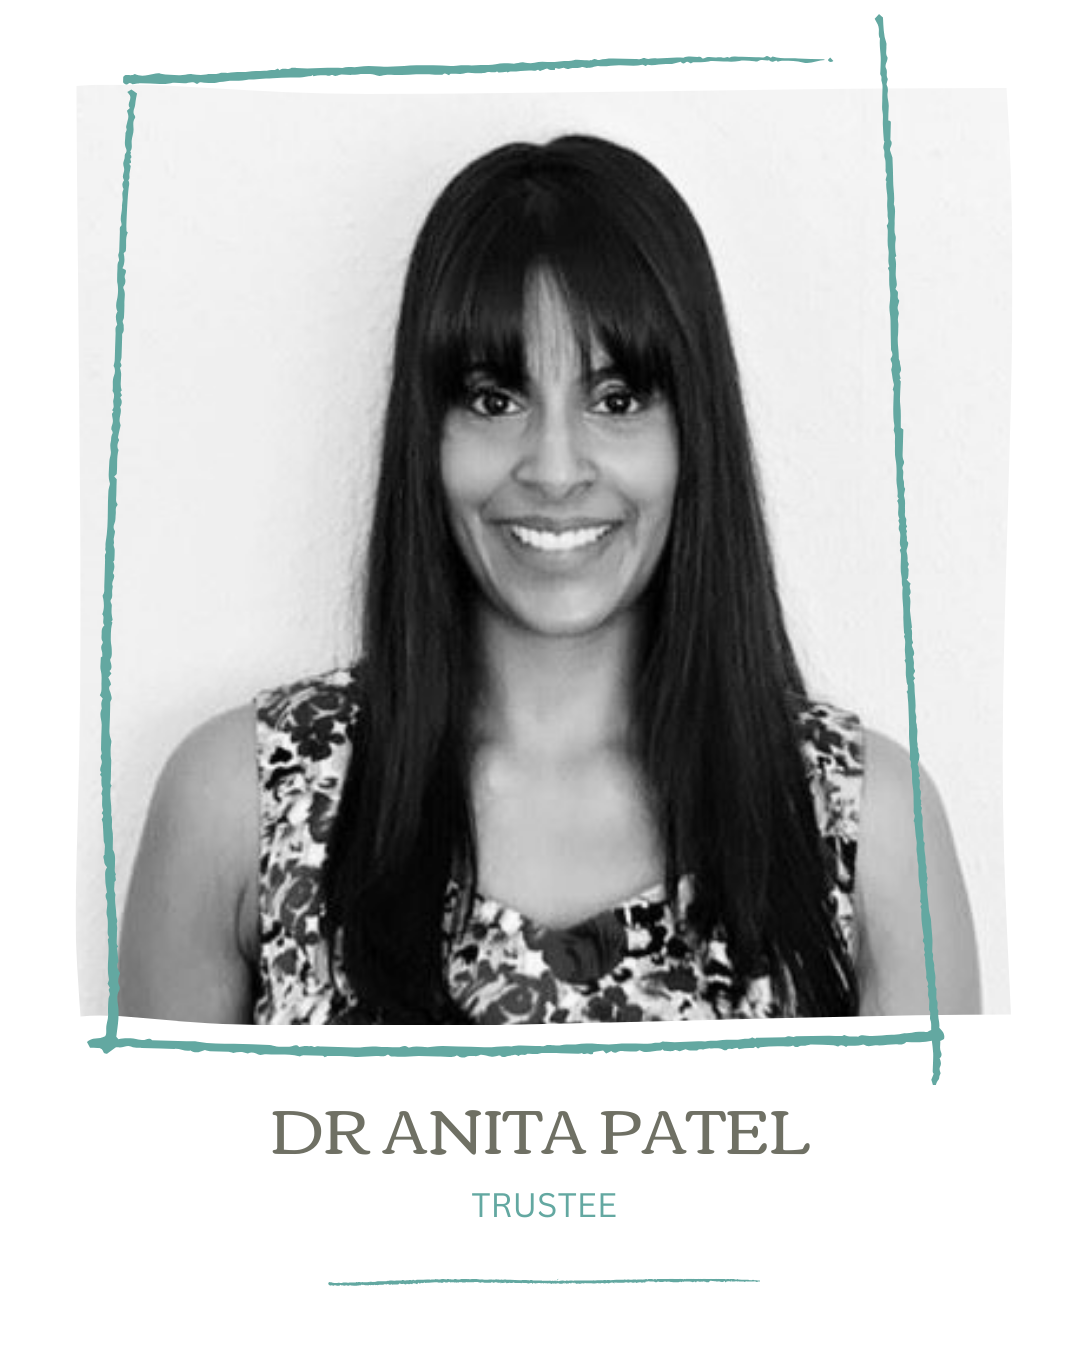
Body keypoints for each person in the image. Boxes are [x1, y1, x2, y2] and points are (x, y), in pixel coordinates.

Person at [119, 134, 981, 1025]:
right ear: (428, 433)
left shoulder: (872, 830)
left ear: (694, 434)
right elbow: (149, 1168)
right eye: (496, 399)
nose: (556, 468)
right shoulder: (242, 802)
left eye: (616, 401)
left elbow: (941, 1170)